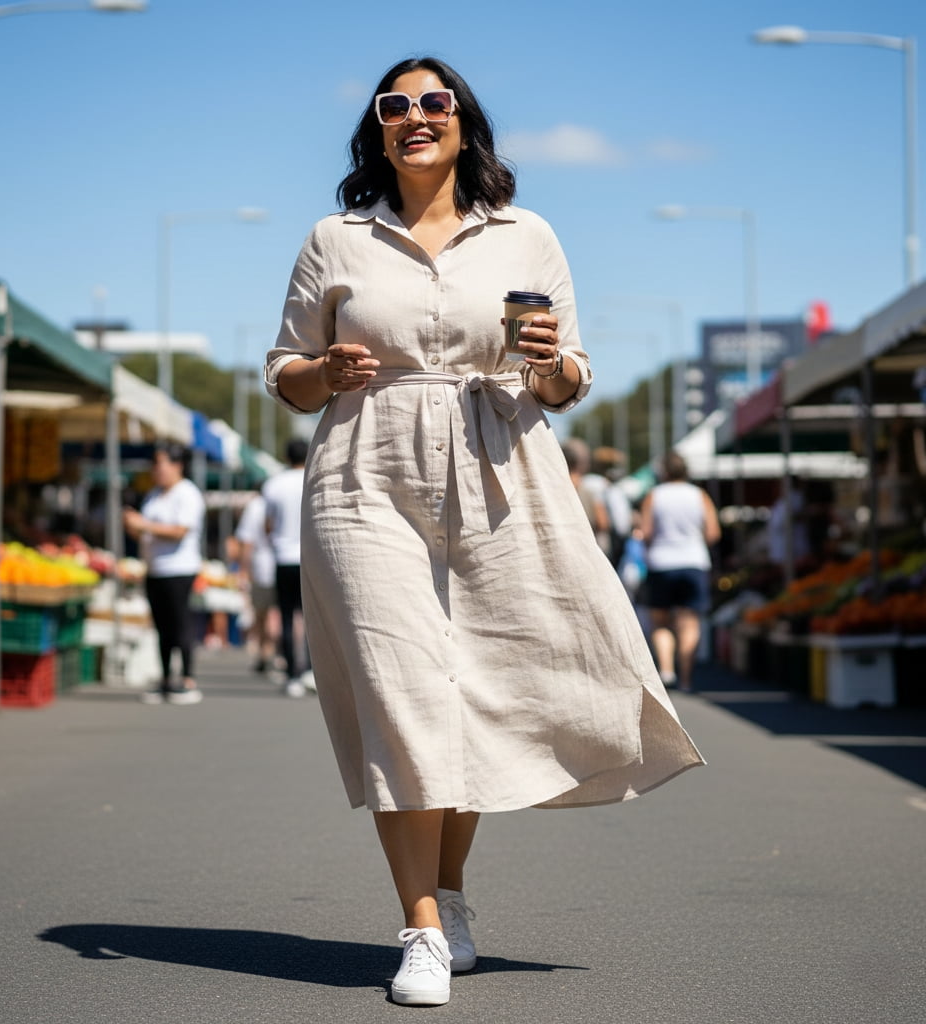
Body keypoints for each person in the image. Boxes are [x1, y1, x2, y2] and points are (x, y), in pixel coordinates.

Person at [265, 56, 703, 1008]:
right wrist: (325, 371)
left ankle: (451, 893)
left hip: (500, 463)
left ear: (465, 123)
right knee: (401, 693)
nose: (416, 117)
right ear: (378, 130)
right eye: (397, 106)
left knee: (472, 692)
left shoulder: (526, 233)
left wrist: (551, 365)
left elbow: (566, 376)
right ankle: (420, 927)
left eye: (435, 103)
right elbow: (285, 374)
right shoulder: (333, 238)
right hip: (363, 470)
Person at [123, 444, 206, 705]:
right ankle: (166, 677)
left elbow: (180, 531)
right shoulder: (153, 495)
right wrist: (132, 526)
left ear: (177, 465)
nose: (157, 470)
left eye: (162, 463)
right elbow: (144, 532)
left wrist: (144, 524)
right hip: (155, 568)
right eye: (155, 464)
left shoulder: (188, 494)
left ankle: (187, 678)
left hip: (179, 568)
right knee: (162, 627)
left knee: (179, 623)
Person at [639, 450, 720, 694]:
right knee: (690, 623)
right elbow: (714, 533)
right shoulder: (699, 495)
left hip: (661, 563)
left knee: (660, 622)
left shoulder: (654, 496)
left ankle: (666, 670)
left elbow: (646, 532)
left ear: (663, 471)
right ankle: (686, 678)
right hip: (693, 562)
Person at [262, 438, 312, 698]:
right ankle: (311, 670)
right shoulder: (313, 477)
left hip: (283, 557)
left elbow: (268, 524)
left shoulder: (274, 484)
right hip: (310, 556)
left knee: (286, 617)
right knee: (311, 618)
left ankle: (292, 673)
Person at [227, 492, 279, 674]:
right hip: (291, 563)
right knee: (287, 614)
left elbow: (246, 541)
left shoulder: (256, 505)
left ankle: (266, 653)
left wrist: (243, 570)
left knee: (263, 614)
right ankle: (282, 654)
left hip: (262, 568)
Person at [560, 437, 609, 541]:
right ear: (582, 462)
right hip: (585, 546)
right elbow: (603, 523)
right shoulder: (591, 488)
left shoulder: (554, 487)